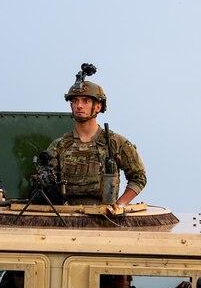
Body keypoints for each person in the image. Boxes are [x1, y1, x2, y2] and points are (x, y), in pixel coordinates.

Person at [46, 64, 147, 206]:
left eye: (85, 101)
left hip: (103, 216)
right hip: (66, 215)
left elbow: (139, 177)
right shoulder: (59, 145)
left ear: (98, 107)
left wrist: (119, 206)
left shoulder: (115, 143)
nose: (79, 105)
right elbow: (46, 182)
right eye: (75, 101)